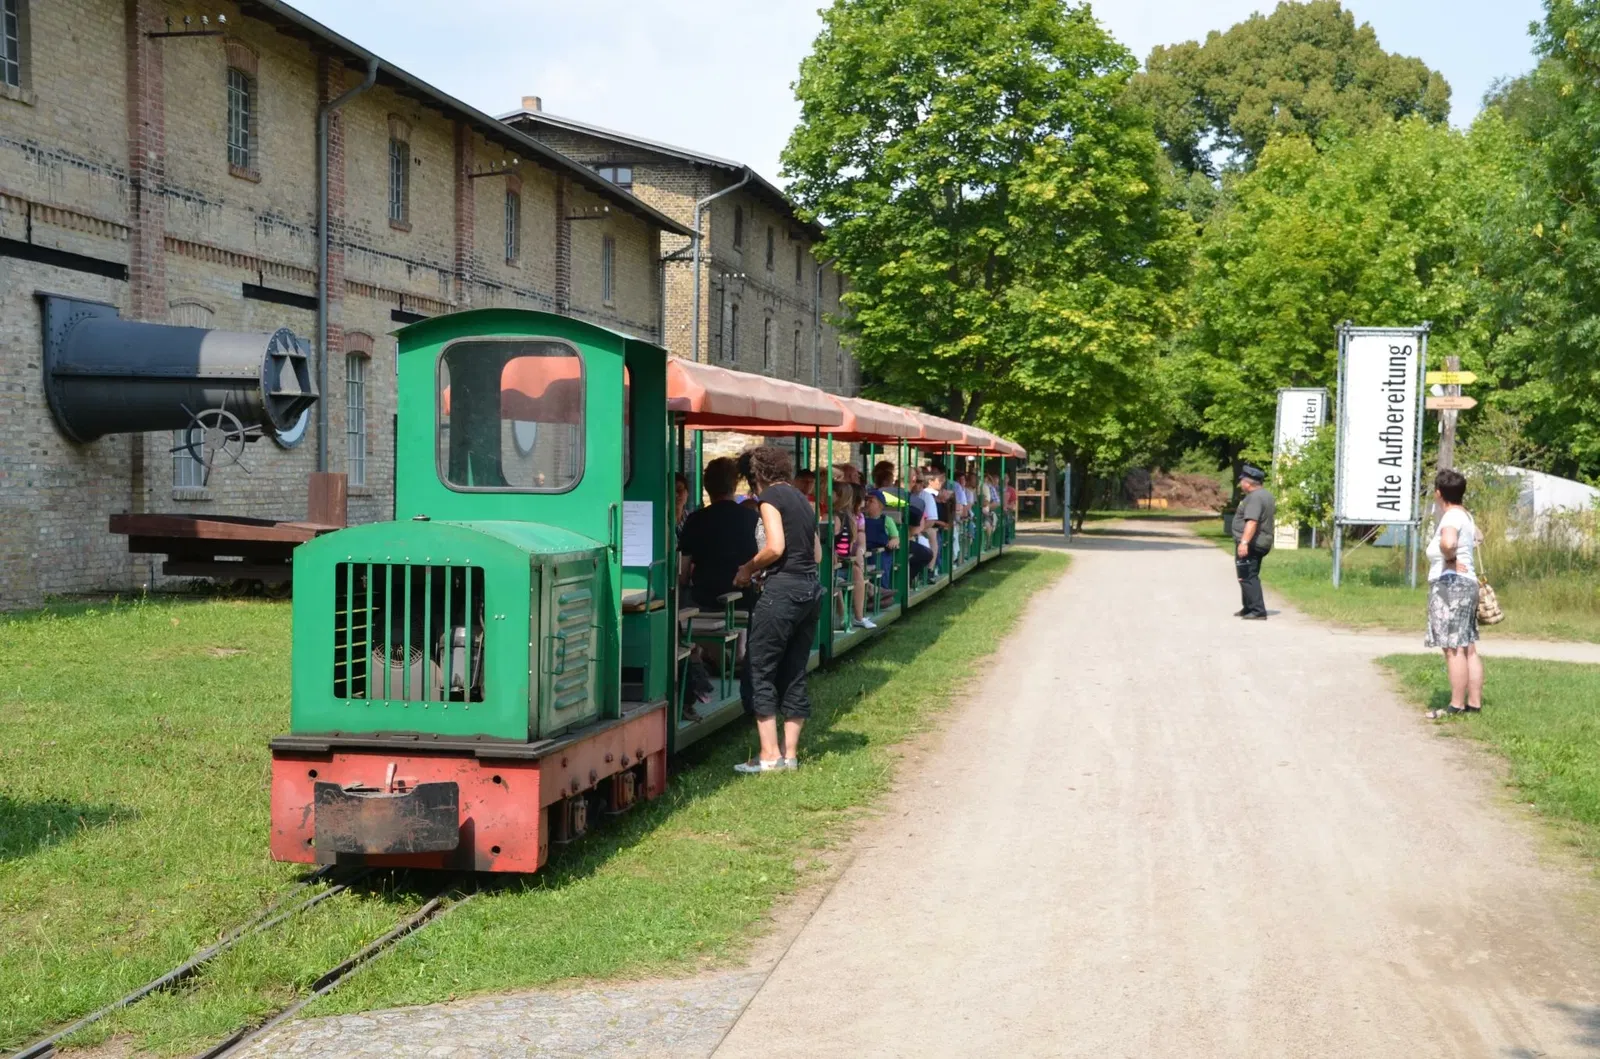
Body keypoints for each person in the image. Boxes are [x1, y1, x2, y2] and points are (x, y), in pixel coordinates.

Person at [732, 445, 823, 773]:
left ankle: (769, 756)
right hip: (810, 591)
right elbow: (817, 556)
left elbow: (774, 546)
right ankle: (791, 754)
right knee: (795, 670)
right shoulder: (803, 499)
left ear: (756, 475)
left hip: (781, 592)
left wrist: (747, 569)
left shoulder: (770, 498)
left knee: (760, 668)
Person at [1423, 468, 1484, 717]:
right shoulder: (1465, 516)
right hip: (1468, 583)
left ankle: (1456, 705)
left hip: (1450, 586)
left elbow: (1447, 543)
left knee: (1453, 647)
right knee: (1467, 645)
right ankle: (1474, 702)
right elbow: (1479, 537)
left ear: (1439, 494)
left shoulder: (1449, 518)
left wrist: (1450, 558)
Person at [678, 458, 759, 612]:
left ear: (706, 487)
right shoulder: (752, 518)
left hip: (704, 601)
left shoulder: (695, 520)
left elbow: (683, 574)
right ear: (734, 485)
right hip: (744, 600)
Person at [1231, 464, 1276, 620]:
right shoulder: (1265, 495)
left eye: (1242, 480)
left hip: (1252, 543)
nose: (1240, 483)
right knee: (1246, 574)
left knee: (1248, 576)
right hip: (1260, 541)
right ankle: (1248, 607)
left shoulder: (1255, 498)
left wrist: (1244, 542)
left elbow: (1252, 522)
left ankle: (1258, 610)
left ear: (1247, 483)